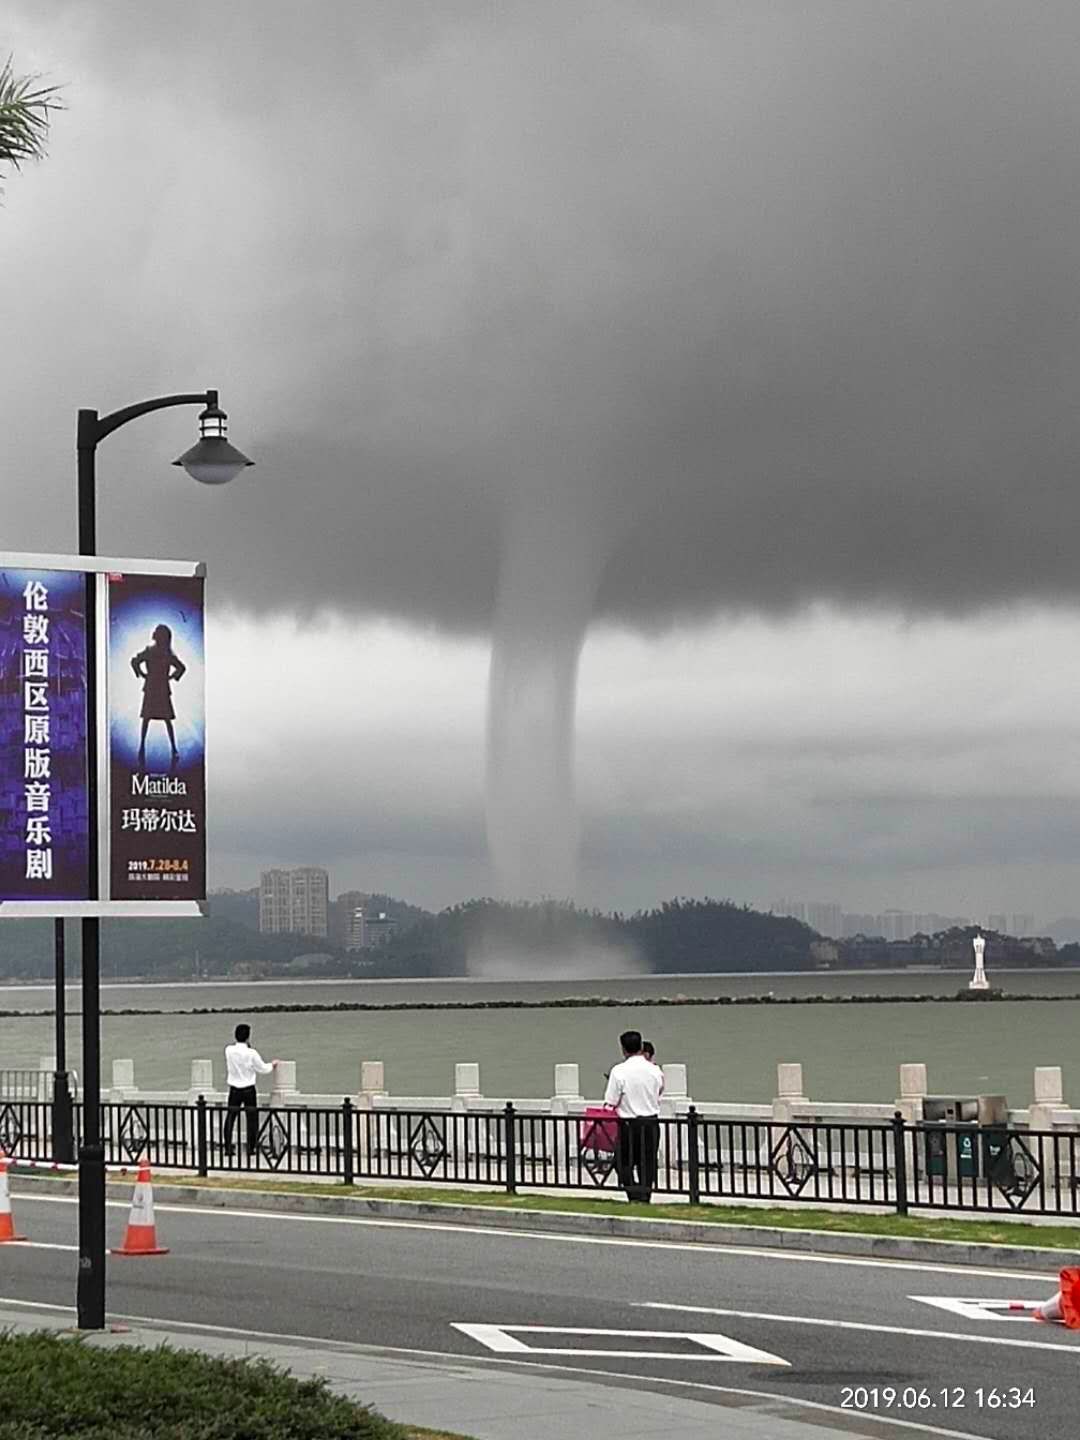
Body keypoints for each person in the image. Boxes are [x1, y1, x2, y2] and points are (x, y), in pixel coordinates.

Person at [603, 1029, 663, 1203]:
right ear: (640, 1046)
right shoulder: (654, 1070)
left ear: (623, 1049)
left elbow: (611, 1101)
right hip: (651, 1122)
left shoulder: (619, 1071)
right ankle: (645, 1195)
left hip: (628, 1124)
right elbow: (659, 1091)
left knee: (623, 1162)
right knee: (648, 1163)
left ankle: (633, 1193)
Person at [131, 623, 186, 770]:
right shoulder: (167, 653)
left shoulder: (151, 651)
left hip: (152, 688)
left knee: (147, 719)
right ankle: (172, 749)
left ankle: (143, 747)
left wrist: (142, 674)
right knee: (164, 720)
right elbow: (181, 668)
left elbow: (135, 661)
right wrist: (171, 677)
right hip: (160, 688)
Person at [223, 1023, 278, 1158]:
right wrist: (273, 1065)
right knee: (251, 1119)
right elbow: (263, 1069)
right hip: (248, 1088)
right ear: (248, 1037)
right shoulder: (251, 1053)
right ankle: (251, 1147)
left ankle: (228, 1147)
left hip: (234, 1088)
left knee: (230, 1117)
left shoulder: (229, 1050)